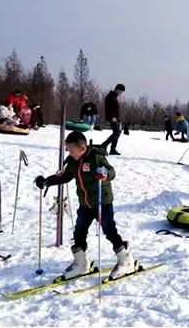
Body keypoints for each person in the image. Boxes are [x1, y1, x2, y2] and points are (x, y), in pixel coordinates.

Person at [35, 130, 133, 280]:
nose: (69, 152)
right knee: (79, 232)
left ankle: (125, 260)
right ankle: (81, 264)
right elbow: (65, 176)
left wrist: (105, 174)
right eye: (68, 149)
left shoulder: (96, 157)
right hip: (85, 205)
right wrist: (47, 181)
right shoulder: (73, 162)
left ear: (82, 148)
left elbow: (112, 172)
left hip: (102, 202)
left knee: (109, 231)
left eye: (72, 150)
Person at [100, 83, 126, 155]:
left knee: (117, 133)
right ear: (117, 89)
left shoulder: (114, 96)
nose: (121, 93)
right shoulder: (110, 96)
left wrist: (118, 118)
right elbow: (109, 109)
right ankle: (104, 145)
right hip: (113, 118)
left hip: (116, 118)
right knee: (116, 133)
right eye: (121, 91)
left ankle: (112, 149)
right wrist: (113, 117)